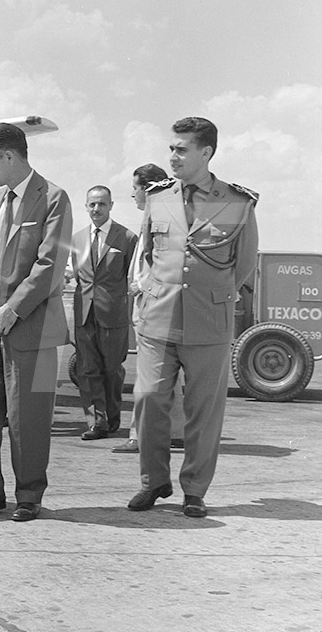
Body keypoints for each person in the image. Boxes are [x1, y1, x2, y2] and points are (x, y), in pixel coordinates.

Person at [127, 117, 258, 518]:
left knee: (203, 410)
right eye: (171, 148)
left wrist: (211, 294)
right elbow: (148, 254)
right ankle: (153, 481)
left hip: (208, 322)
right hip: (158, 318)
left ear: (206, 152)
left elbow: (244, 264)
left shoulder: (237, 203)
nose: (172, 156)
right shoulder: (158, 197)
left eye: (181, 149)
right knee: (149, 400)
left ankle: (195, 490)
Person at [0, 122, 72, 522]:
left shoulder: (54, 198)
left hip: (34, 322)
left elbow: (50, 263)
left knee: (30, 417)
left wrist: (15, 307)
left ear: (10, 156)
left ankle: (29, 496)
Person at [113, 164, 184, 454]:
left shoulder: (158, 219)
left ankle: (139, 435)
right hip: (158, 306)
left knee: (148, 376)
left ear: (150, 188)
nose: (133, 194)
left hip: (151, 307)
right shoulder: (162, 217)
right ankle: (176, 431)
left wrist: (142, 289)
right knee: (169, 376)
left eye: (136, 188)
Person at [71, 186, 137, 440]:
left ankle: (112, 417)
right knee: (87, 370)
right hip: (84, 312)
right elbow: (79, 276)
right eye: (92, 205)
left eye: (101, 204)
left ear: (111, 206)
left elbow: (132, 275)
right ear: (86, 207)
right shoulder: (76, 239)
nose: (96, 209)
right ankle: (96, 422)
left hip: (113, 315)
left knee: (112, 369)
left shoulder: (127, 237)